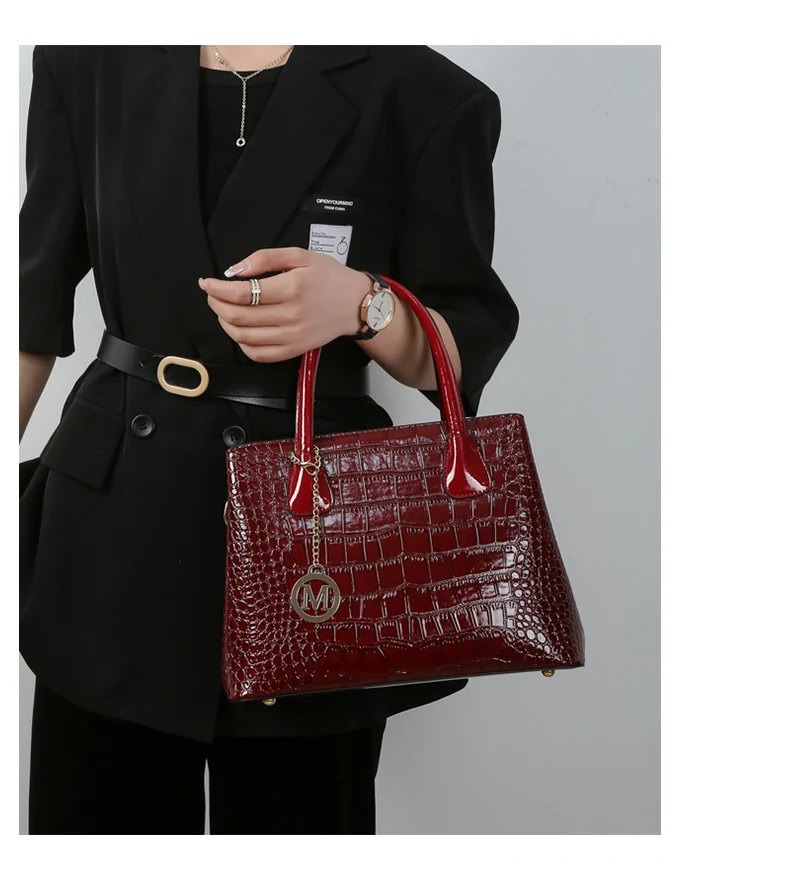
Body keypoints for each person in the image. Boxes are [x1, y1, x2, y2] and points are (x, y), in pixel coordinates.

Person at [19, 44, 519, 835]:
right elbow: (30, 309)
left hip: (315, 536)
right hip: (116, 516)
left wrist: (365, 304)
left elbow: (459, 353)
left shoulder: (426, 93)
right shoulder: (89, 60)